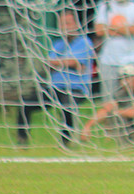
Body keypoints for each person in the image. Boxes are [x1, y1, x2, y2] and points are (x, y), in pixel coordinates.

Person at [16, 10, 94, 148]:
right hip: (55, 86)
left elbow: (75, 64)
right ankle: (22, 141)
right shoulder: (58, 44)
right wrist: (61, 63)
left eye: (68, 23)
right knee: (25, 103)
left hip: (76, 88)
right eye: (62, 24)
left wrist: (58, 63)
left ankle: (66, 142)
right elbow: (49, 65)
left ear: (76, 24)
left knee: (67, 104)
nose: (65, 27)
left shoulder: (84, 42)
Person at [80, 64, 134, 146]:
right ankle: (124, 144)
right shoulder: (120, 95)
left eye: (128, 78)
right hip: (133, 129)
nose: (125, 82)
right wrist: (88, 126)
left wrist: (115, 111)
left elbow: (133, 113)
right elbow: (106, 110)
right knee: (114, 114)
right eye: (121, 79)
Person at [94, 0, 134, 103]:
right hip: (108, 60)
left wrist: (112, 28)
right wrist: (126, 29)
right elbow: (99, 30)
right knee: (108, 101)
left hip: (132, 59)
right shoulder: (105, 5)